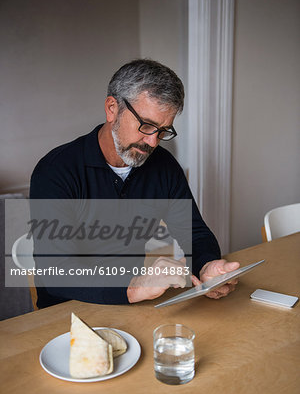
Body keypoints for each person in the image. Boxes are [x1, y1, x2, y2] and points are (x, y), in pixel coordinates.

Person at [30, 59, 239, 308]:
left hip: (130, 306)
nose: (152, 142)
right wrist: (133, 288)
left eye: (163, 131)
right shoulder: (55, 171)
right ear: (112, 109)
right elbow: (56, 271)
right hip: (65, 311)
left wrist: (207, 266)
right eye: (146, 125)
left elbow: (194, 232)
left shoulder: (163, 166)